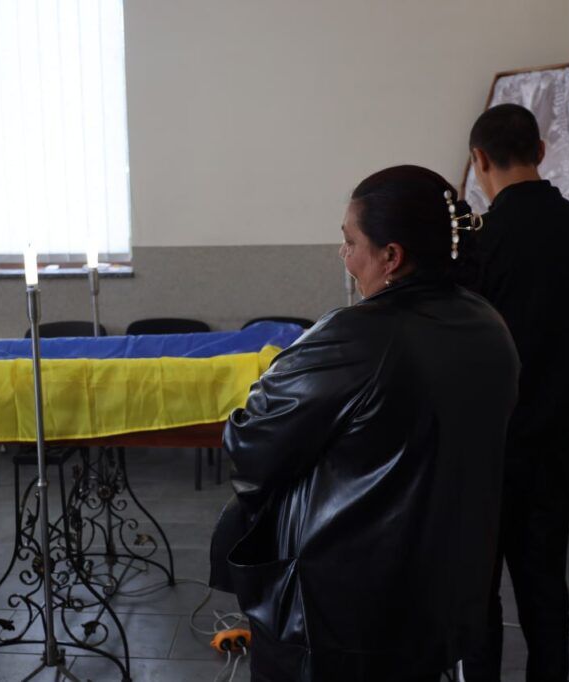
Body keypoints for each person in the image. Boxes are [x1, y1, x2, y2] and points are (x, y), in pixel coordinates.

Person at [209, 165, 520, 682]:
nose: (344, 255)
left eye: (351, 242)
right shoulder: (489, 324)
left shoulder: (358, 336)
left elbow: (250, 442)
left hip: (344, 605)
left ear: (391, 256)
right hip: (441, 592)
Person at [458, 104, 569, 682]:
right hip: (549, 441)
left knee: (478, 594)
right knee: (545, 592)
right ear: (541, 152)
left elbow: (465, 351)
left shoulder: (480, 241)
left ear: (479, 160)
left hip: (484, 448)